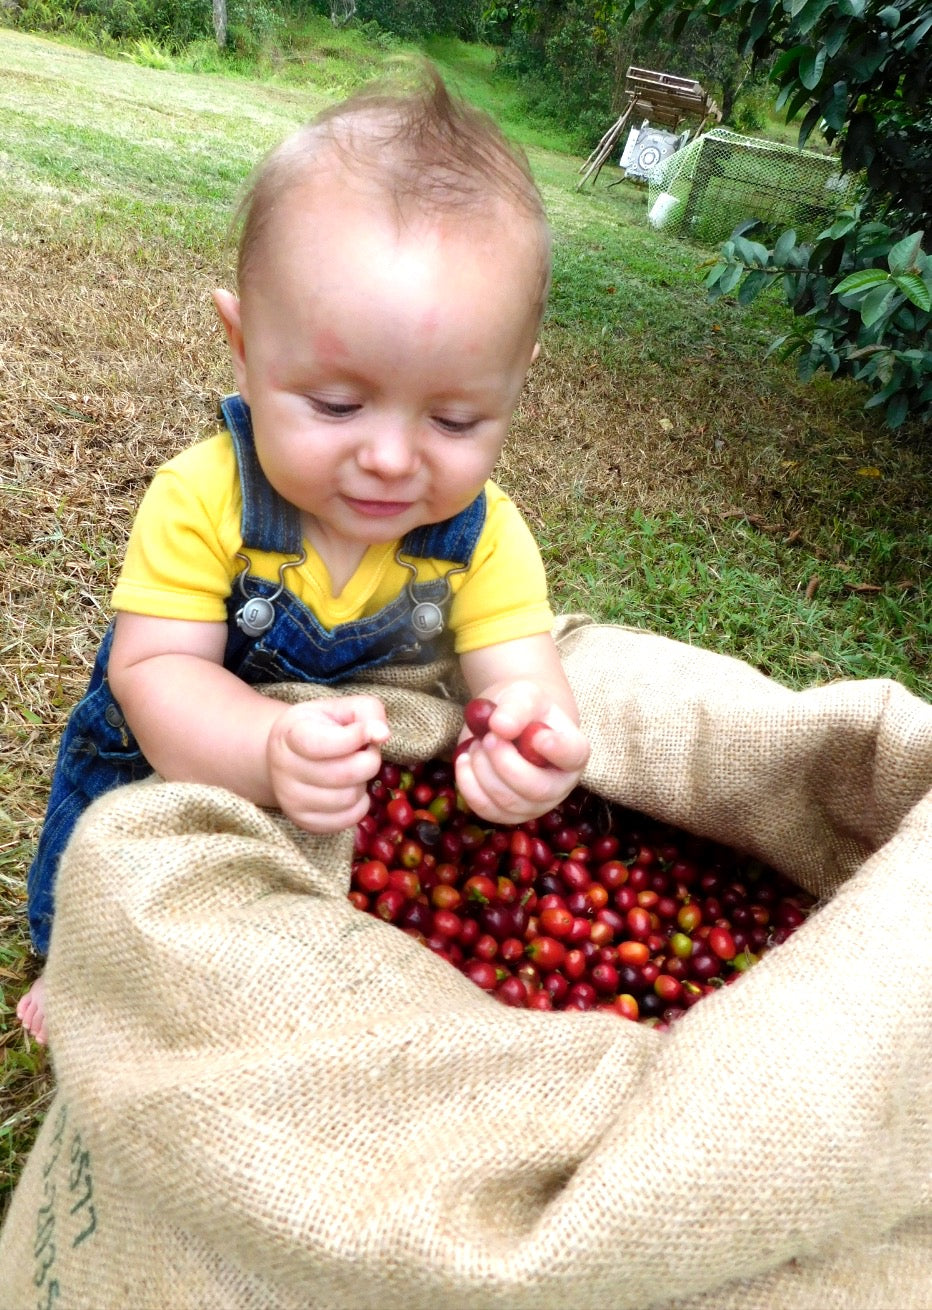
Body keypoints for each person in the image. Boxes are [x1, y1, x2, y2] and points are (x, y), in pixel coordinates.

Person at [17, 66, 590, 1044]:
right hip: (172, 765)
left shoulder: (485, 537)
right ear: (243, 347)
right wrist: (265, 749)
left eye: (454, 417)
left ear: (515, 384)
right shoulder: (202, 499)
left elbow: (522, 678)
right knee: (116, 862)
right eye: (335, 404)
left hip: (342, 794)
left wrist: (533, 747)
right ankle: (76, 951)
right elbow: (155, 675)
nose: (390, 455)